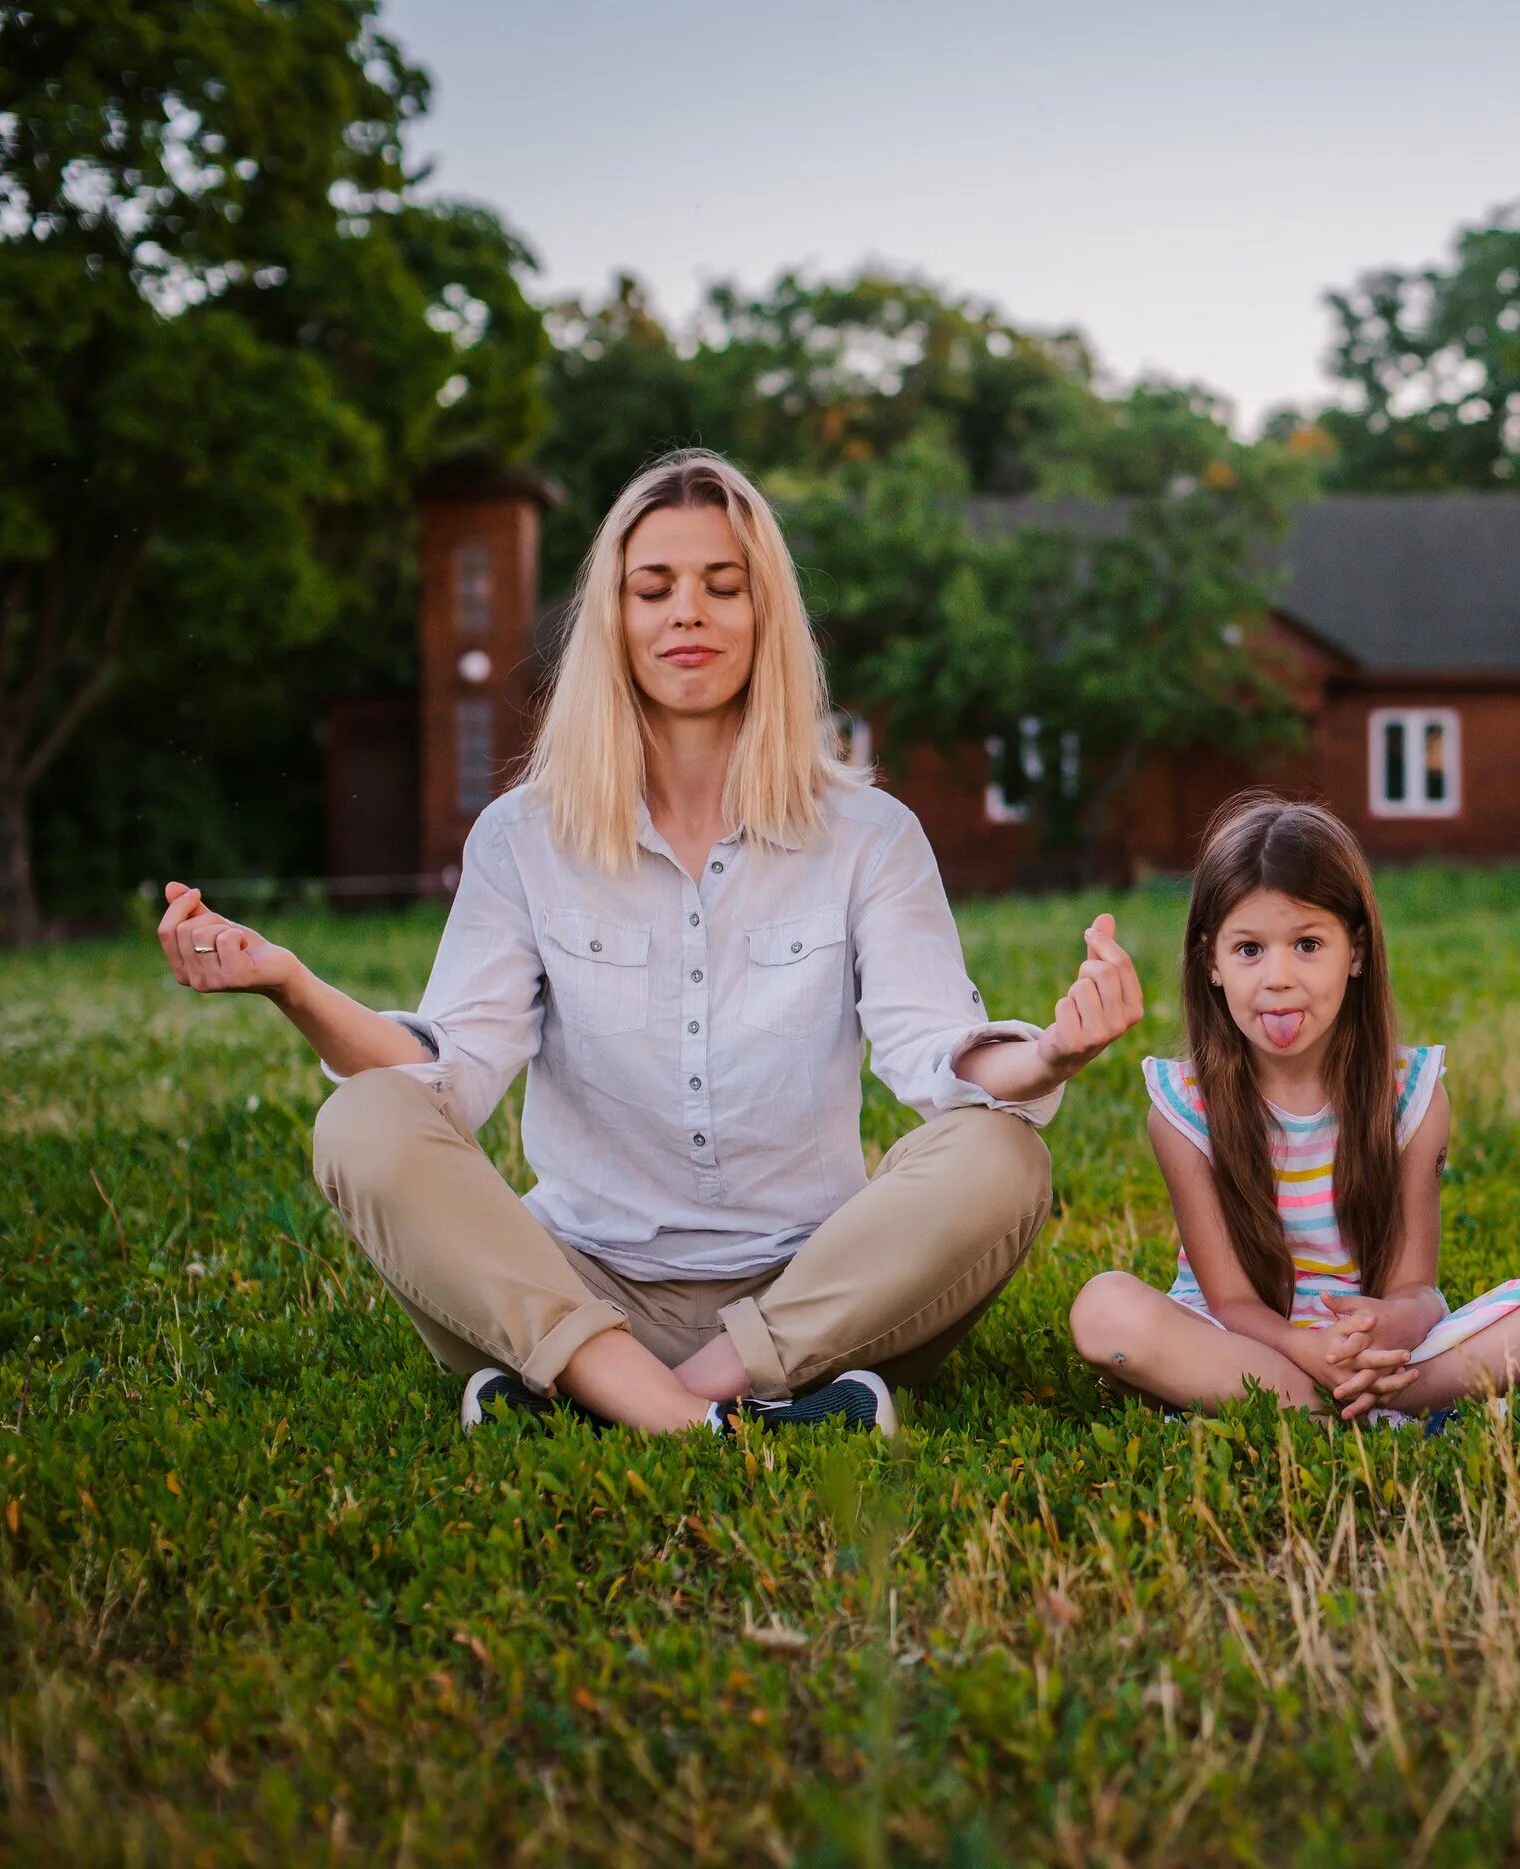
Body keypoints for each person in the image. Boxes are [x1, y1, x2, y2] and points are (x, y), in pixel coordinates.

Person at [155, 450, 1143, 1436]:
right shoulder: (519, 838)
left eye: (724, 586)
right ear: (613, 620)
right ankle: (709, 1408)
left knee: (1000, 1159)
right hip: (573, 1285)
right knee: (361, 1123)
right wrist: (290, 983)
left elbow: (936, 1055)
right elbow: (443, 1079)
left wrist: (1051, 1052)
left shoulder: (869, 836)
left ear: (769, 620)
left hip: (814, 1296)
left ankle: (628, 1399)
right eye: (653, 588)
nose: (688, 614)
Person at [1069, 795, 1520, 1421]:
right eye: (1249, 949)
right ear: (1210, 961)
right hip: (1245, 1342)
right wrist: (1301, 1348)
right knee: (1104, 1309)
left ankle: (1370, 1397)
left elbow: (1417, 1290)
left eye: (1307, 944)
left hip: (1374, 1347)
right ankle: (1338, 1406)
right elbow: (1231, 1302)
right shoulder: (1185, 1108)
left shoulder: (1410, 1093)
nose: (1277, 977)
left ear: (1354, 952)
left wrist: (1386, 1324)